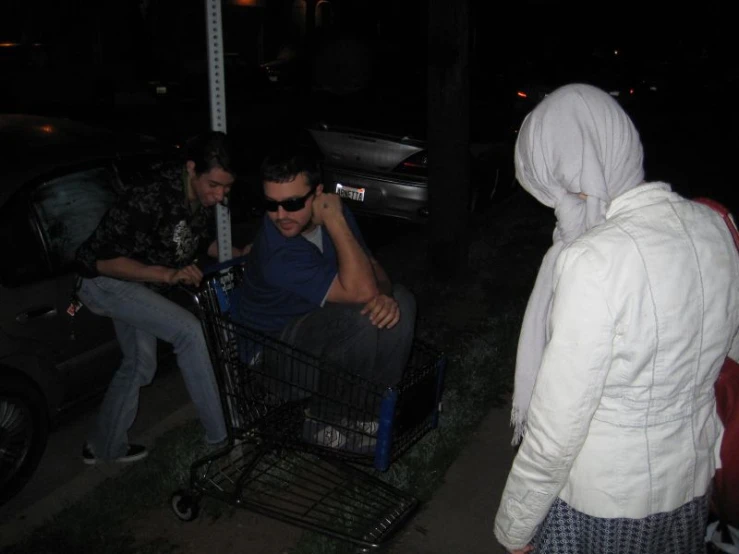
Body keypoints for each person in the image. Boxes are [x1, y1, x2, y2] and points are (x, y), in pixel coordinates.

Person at [493, 83, 739, 554]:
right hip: (688, 492)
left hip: (603, 503)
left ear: (573, 172)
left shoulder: (592, 261)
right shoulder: (715, 228)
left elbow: (556, 426)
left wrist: (515, 526)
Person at [75, 131, 248, 464]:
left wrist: (236, 253)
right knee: (189, 332)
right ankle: (220, 438)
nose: (219, 195)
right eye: (213, 185)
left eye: (227, 187)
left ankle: (103, 446)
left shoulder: (198, 198)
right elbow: (103, 261)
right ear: (191, 168)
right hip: (104, 279)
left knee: (140, 364)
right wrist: (168, 274)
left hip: (138, 283)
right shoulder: (151, 196)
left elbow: (198, 239)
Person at [234, 147, 416, 448]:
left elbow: (372, 269)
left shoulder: (333, 215)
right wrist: (334, 221)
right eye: (271, 204)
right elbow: (360, 292)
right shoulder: (277, 252)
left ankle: (367, 412)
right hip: (273, 356)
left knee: (402, 302)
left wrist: (384, 296)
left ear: (318, 194)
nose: (281, 216)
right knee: (359, 319)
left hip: (315, 330)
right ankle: (324, 419)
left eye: (292, 203)